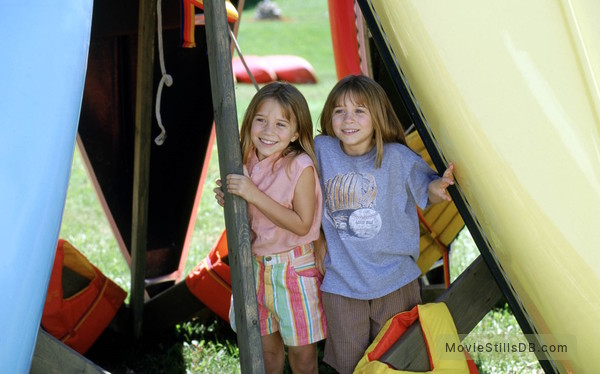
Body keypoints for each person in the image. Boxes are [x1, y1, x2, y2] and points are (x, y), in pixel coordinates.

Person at [313, 75, 454, 373]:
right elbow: (288, 171)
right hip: (342, 282)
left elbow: (426, 187)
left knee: (396, 360)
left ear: (378, 117)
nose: (347, 119)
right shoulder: (322, 151)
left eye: (359, 111)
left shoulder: (397, 158)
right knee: (349, 365)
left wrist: (439, 188)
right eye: (339, 110)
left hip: (394, 280)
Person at [214, 82, 326, 374]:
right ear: (250, 121)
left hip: (293, 271)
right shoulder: (245, 160)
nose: (268, 131)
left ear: (296, 133)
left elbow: (302, 224)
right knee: (266, 355)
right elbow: (250, 214)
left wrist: (251, 194)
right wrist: (232, 198)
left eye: (280, 124)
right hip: (254, 269)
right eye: (261, 120)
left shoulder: (299, 166)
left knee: (302, 357)